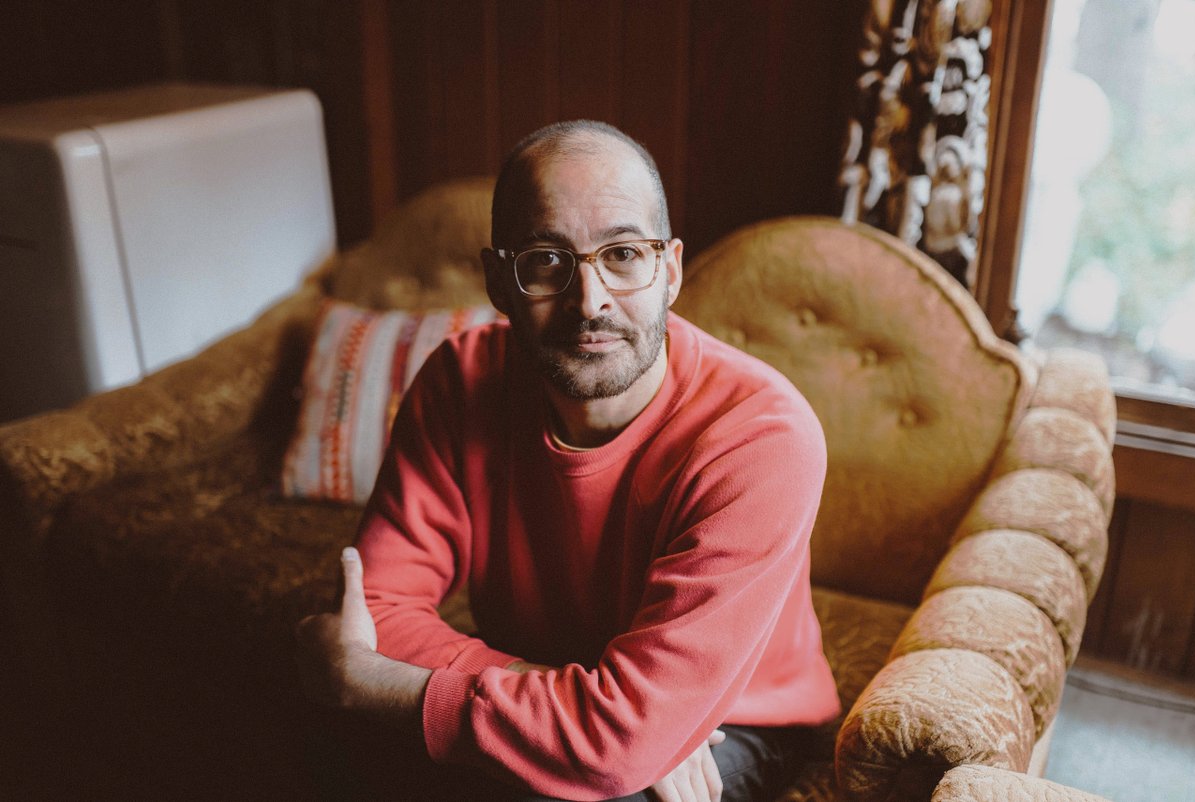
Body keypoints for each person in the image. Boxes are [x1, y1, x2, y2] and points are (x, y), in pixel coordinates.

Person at [295, 120, 840, 802]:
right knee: (342, 732)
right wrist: (589, 712)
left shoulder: (762, 435)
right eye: (547, 261)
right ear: (498, 281)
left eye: (623, 254)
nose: (591, 302)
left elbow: (616, 752)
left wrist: (622, 732)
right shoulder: (459, 382)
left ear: (669, 270)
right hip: (585, 688)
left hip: (739, 719)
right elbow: (374, 614)